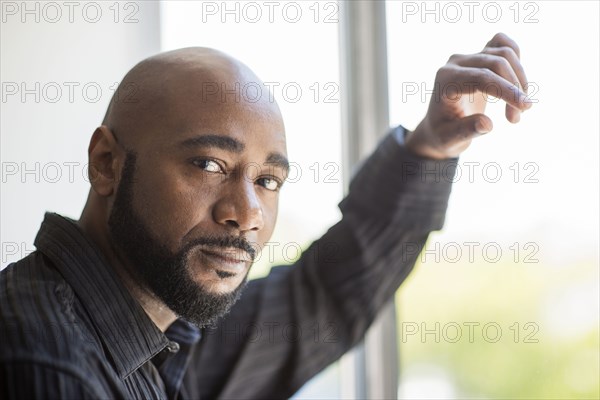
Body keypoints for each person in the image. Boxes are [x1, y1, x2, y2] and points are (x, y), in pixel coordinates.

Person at [0, 33, 531, 399]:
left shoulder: (163, 335)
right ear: (106, 164)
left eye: (267, 180)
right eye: (209, 164)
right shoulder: (46, 366)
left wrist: (430, 149)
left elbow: (320, 300)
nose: (246, 213)